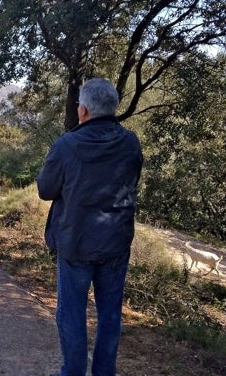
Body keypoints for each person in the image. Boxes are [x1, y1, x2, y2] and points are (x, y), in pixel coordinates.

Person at [36, 78, 143, 376]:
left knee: (71, 316)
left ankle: (73, 372)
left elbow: (45, 189)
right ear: (113, 108)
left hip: (76, 244)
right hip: (116, 245)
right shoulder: (130, 142)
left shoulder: (67, 145)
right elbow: (132, 182)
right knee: (110, 316)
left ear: (82, 110)